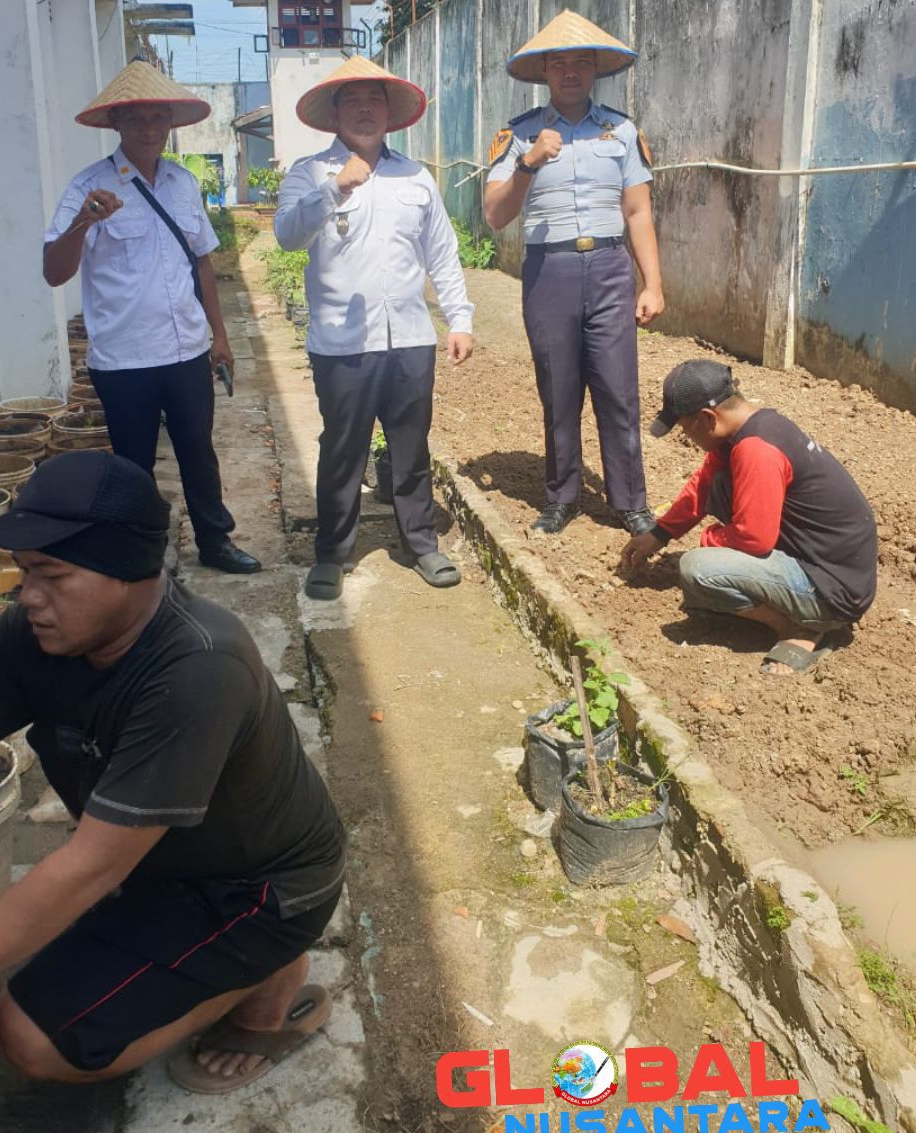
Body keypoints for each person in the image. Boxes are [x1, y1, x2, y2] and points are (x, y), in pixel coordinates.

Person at [0, 452, 346, 1099]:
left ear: (129, 571)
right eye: (24, 571)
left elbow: (89, 867)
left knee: (32, 1039)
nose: (28, 596)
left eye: (52, 575)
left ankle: (265, 980)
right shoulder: (30, 636)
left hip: (260, 890)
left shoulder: (198, 668)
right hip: (153, 864)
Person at [42, 60, 260, 575]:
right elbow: (54, 272)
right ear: (116, 122)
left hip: (186, 349)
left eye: (157, 116)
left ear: (170, 122)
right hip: (124, 358)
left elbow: (202, 262)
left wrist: (220, 338)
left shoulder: (183, 184)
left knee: (198, 453)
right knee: (133, 465)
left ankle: (215, 541)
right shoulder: (87, 188)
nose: (148, 128)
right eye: (136, 117)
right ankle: (140, 555)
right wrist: (83, 222)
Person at [275, 57, 475, 600]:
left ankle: (421, 543)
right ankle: (332, 553)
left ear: (389, 112)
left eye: (375, 100)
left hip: (410, 338)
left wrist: (459, 318)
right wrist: (335, 188)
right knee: (343, 448)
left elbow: (442, 253)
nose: (365, 109)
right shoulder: (309, 173)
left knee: (411, 445)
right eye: (353, 99)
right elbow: (287, 237)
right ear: (335, 111)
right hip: (342, 343)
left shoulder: (416, 177)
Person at [483, 11, 664, 537]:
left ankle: (630, 502)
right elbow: (495, 214)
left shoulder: (622, 131)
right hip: (550, 270)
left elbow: (638, 212)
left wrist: (652, 283)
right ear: (543, 72)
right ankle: (561, 497)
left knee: (618, 389)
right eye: (559, 63)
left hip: (609, 268)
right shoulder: (519, 135)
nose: (570, 72)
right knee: (559, 390)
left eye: (581, 62)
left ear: (595, 70)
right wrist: (529, 163)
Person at [619, 360, 878, 676]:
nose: (687, 437)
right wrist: (659, 534)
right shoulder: (752, 427)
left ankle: (800, 627)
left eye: (686, 428)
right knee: (719, 484)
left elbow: (754, 539)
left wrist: (711, 539)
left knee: (698, 568)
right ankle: (792, 608)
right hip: (824, 561)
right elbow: (704, 483)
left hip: (832, 590)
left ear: (708, 418)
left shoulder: (756, 450)